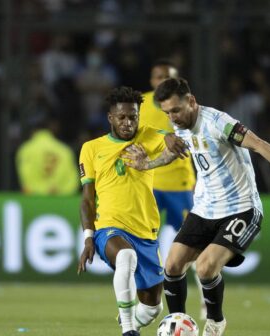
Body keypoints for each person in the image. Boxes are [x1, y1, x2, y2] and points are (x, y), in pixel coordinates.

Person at [123, 78, 270, 336]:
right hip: (205, 208)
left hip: (241, 208)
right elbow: (178, 151)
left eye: (176, 110)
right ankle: (176, 325)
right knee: (171, 265)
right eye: (167, 112)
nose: (172, 117)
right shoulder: (179, 125)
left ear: (191, 101)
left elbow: (259, 144)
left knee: (205, 267)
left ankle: (215, 322)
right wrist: (146, 165)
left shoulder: (219, 123)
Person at [77, 86, 169, 336]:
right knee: (126, 257)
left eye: (133, 117)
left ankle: (128, 319)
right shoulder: (91, 149)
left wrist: (172, 138)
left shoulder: (148, 136)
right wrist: (88, 237)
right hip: (110, 227)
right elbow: (87, 199)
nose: (129, 123)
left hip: (146, 231)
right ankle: (129, 330)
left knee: (152, 308)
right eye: (122, 117)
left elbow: (173, 140)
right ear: (111, 118)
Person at [138, 59, 206, 319]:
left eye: (167, 77)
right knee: (144, 244)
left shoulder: (185, 108)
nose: (161, 81)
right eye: (157, 77)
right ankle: (147, 301)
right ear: (151, 80)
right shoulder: (141, 105)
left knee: (193, 244)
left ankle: (204, 297)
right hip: (150, 184)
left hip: (179, 184)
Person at [16, 114, 79, 195]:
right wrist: (58, 190)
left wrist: (38, 189)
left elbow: (25, 177)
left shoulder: (26, 149)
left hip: (34, 200)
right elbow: (73, 180)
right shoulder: (64, 150)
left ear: (32, 131)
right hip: (59, 202)